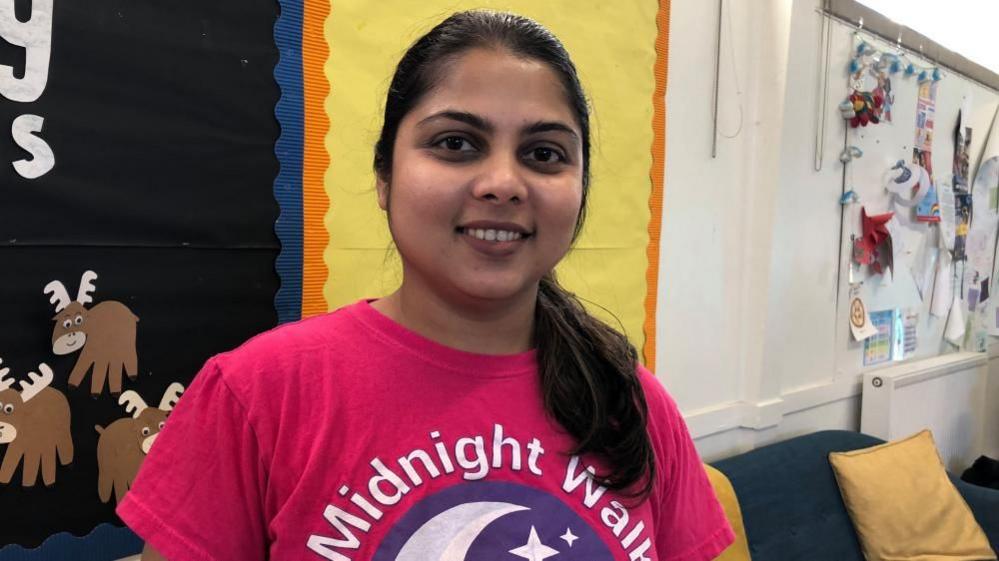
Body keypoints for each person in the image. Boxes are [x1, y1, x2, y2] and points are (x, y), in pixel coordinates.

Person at [120, 10, 735, 561]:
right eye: (456, 143)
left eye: (544, 154)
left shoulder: (633, 403)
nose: (503, 182)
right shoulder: (254, 397)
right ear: (385, 176)